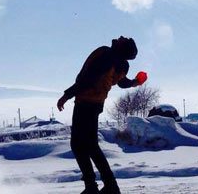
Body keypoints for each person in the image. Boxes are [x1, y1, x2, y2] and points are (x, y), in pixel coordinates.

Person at [57, 36, 147, 194]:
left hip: (85, 102)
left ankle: (93, 186)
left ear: (121, 46)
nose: (120, 37)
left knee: (78, 145)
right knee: (90, 145)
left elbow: (88, 79)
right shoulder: (120, 63)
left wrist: (67, 95)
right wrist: (135, 82)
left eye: (123, 39)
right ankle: (108, 185)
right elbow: (122, 82)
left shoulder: (107, 55)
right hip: (96, 104)